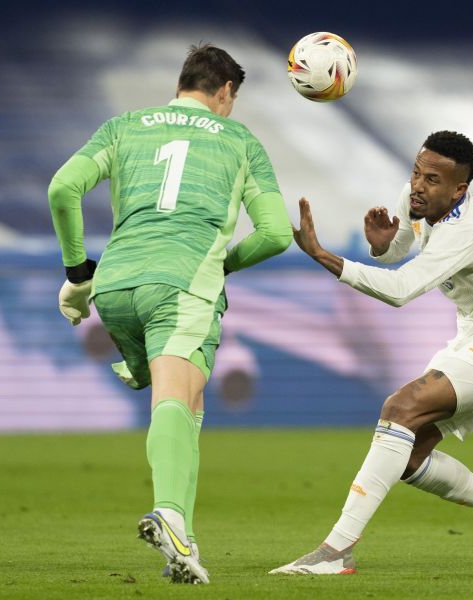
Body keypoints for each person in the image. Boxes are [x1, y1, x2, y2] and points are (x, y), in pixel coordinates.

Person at [49, 43, 293, 584]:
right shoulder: (239, 140)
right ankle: (170, 514)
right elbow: (277, 234)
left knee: (191, 397)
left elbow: (62, 188)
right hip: (182, 286)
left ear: (183, 82)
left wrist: (76, 274)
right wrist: (222, 264)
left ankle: (181, 547)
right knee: (175, 396)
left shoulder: (123, 127)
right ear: (225, 92)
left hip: (114, 287)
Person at [270, 131, 473, 575]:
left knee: (400, 408)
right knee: (408, 457)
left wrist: (324, 256)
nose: (418, 186)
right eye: (416, 172)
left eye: (432, 179)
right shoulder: (417, 199)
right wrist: (382, 245)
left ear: (459, 189)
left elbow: (402, 290)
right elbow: (397, 255)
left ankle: (336, 550)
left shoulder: (466, 230)